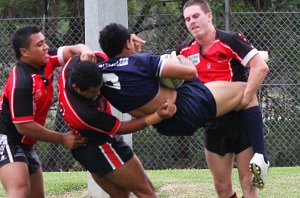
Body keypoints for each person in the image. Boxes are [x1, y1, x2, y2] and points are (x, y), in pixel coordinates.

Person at [98, 21, 269, 177]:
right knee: (245, 90)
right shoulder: (140, 61)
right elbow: (191, 73)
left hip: (163, 123)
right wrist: (182, 59)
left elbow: (85, 56)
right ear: (128, 42)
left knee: (222, 187)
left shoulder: (98, 72)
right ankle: (262, 156)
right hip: (186, 106)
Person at [177, 0, 269, 196]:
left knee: (249, 182)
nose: (191, 22)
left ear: (209, 16)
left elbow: (260, 66)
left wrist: (245, 97)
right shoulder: (184, 50)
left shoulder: (230, 40)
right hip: (213, 123)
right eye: (187, 19)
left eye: (195, 16)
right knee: (222, 187)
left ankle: (262, 157)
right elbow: (167, 76)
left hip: (241, 121)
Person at [58, 56, 176, 197]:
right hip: (101, 147)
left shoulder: (70, 68)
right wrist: (156, 116)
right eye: (92, 92)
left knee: (120, 195)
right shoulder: (83, 114)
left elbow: (80, 51)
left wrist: (85, 51)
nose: (98, 93)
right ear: (76, 88)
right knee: (146, 191)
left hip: (87, 148)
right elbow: (121, 127)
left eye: (99, 88)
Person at [0, 25, 96, 198]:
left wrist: (86, 52)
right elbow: (24, 126)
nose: (46, 47)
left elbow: (75, 49)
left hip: (27, 142)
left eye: (45, 42)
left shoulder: (46, 59)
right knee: (20, 190)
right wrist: (62, 139)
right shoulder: (21, 82)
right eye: (39, 44)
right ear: (25, 52)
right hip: (7, 137)